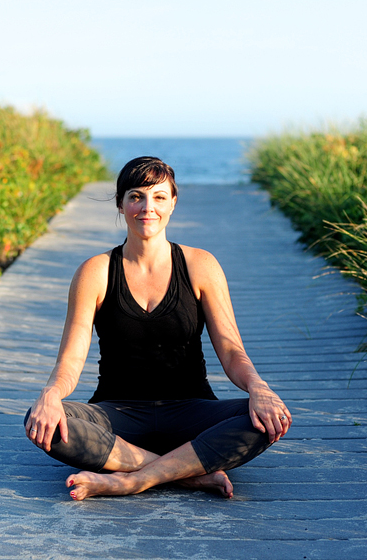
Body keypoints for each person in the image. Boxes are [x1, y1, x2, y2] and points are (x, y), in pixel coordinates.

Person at [24, 156, 291, 501]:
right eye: (136, 196)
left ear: (173, 203)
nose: (147, 207)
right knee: (41, 419)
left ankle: (131, 479)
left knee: (269, 419)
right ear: (121, 204)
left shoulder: (200, 265)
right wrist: (50, 394)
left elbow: (230, 348)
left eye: (159, 197)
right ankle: (188, 474)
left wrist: (260, 388)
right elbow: (71, 360)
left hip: (192, 413)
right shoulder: (96, 271)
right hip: (116, 416)